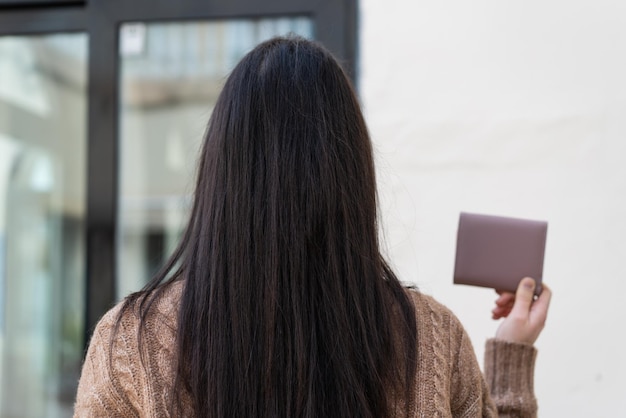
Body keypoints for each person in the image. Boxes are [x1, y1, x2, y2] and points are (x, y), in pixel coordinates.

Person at [74, 36, 552, 417]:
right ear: (352, 176)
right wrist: (510, 357)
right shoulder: (430, 339)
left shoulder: (129, 346)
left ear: (220, 174)